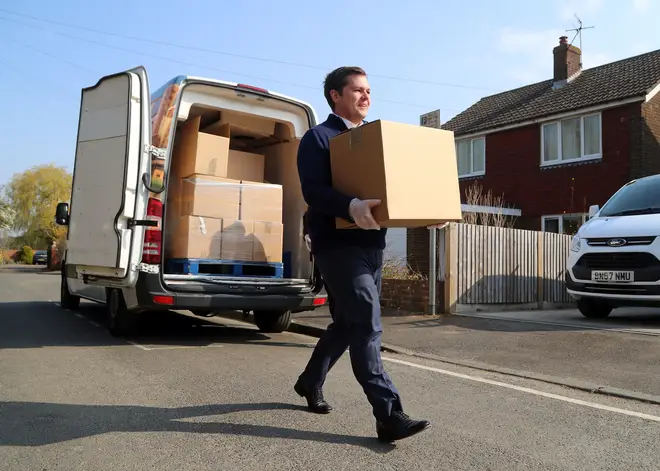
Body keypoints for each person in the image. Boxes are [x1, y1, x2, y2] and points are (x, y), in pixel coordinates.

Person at [294, 66, 433, 443]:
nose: (366, 96)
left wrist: (427, 210)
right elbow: (314, 192)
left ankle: (310, 381)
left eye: (369, 90)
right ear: (335, 96)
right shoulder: (318, 138)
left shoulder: (375, 142)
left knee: (346, 324)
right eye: (357, 90)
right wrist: (350, 205)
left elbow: (396, 188)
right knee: (367, 325)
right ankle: (388, 415)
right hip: (336, 246)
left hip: (371, 246)